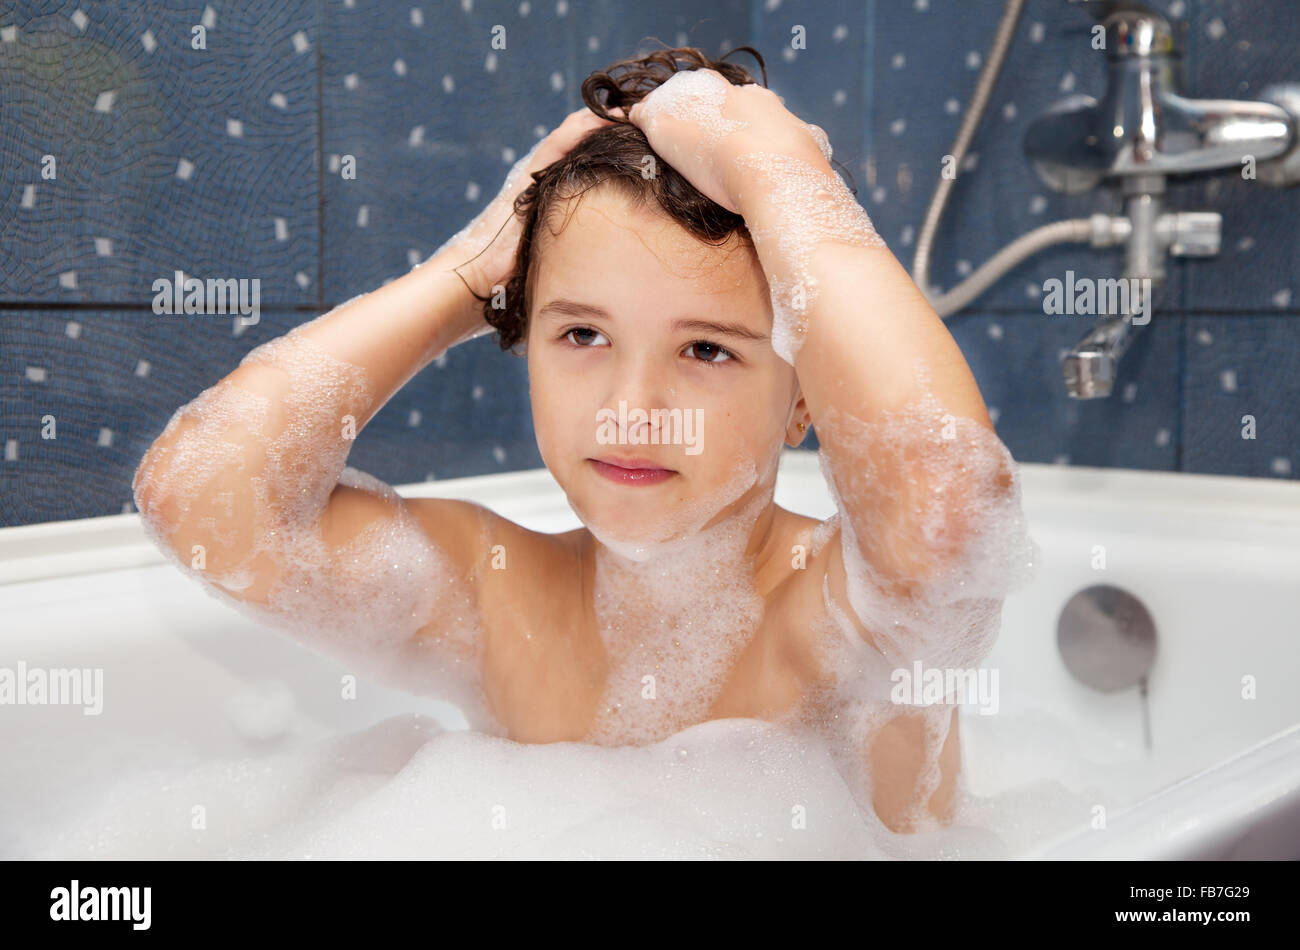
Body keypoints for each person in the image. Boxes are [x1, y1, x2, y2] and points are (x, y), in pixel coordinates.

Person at [133, 45, 1030, 836]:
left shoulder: (843, 621)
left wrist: (779, 171)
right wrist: (466, 276)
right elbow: (203, 501)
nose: (632, 409)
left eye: (707, 349)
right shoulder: (493, 601)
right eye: (582, 335)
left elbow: (947, 508)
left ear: (806, 403)